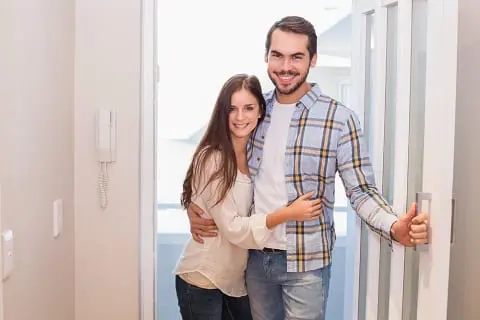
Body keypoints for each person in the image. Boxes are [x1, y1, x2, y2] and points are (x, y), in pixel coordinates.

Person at [186, 16, 429, 320]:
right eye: (277, 55)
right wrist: (194, 207)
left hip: (308, 264)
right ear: (266, 57)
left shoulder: (339, 119)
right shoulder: (255, 111)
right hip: (255, 261)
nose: (285, 66)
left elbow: (361, 191)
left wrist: (394, 226)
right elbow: (216, 161)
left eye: (296, 57)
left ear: (313, 60)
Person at [174, 73, 325, 320]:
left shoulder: (255, 151)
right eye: (232, 108)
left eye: (248, 108)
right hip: (203, 277)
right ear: (222, 112)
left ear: (260, 111)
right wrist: (287, 214)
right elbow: (232, 227)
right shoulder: (213, 157)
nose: (240, 116)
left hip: (235, 280)